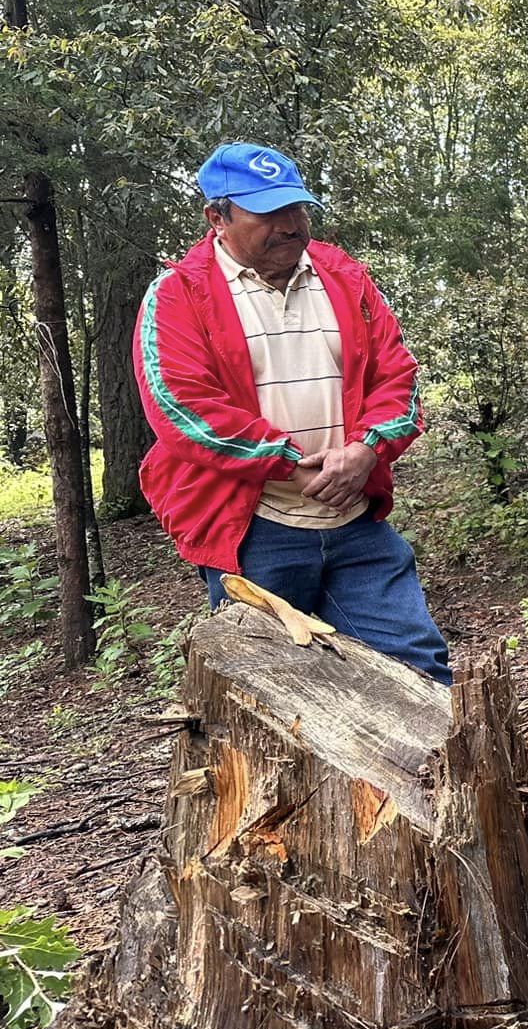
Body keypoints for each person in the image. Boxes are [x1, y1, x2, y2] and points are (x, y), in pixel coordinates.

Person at [134, 143, 449, 684]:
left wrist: (365, 449)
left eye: (296, 208)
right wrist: (285, 461)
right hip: (255, 529)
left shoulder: (343, 276)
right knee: (272, 690)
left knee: (417, 669)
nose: (290, 225)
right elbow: (180, 408)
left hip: (354, 521)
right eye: (269, 212)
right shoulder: (180, 295)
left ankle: (440, 770)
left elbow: (397, 378)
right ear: (218, 218)